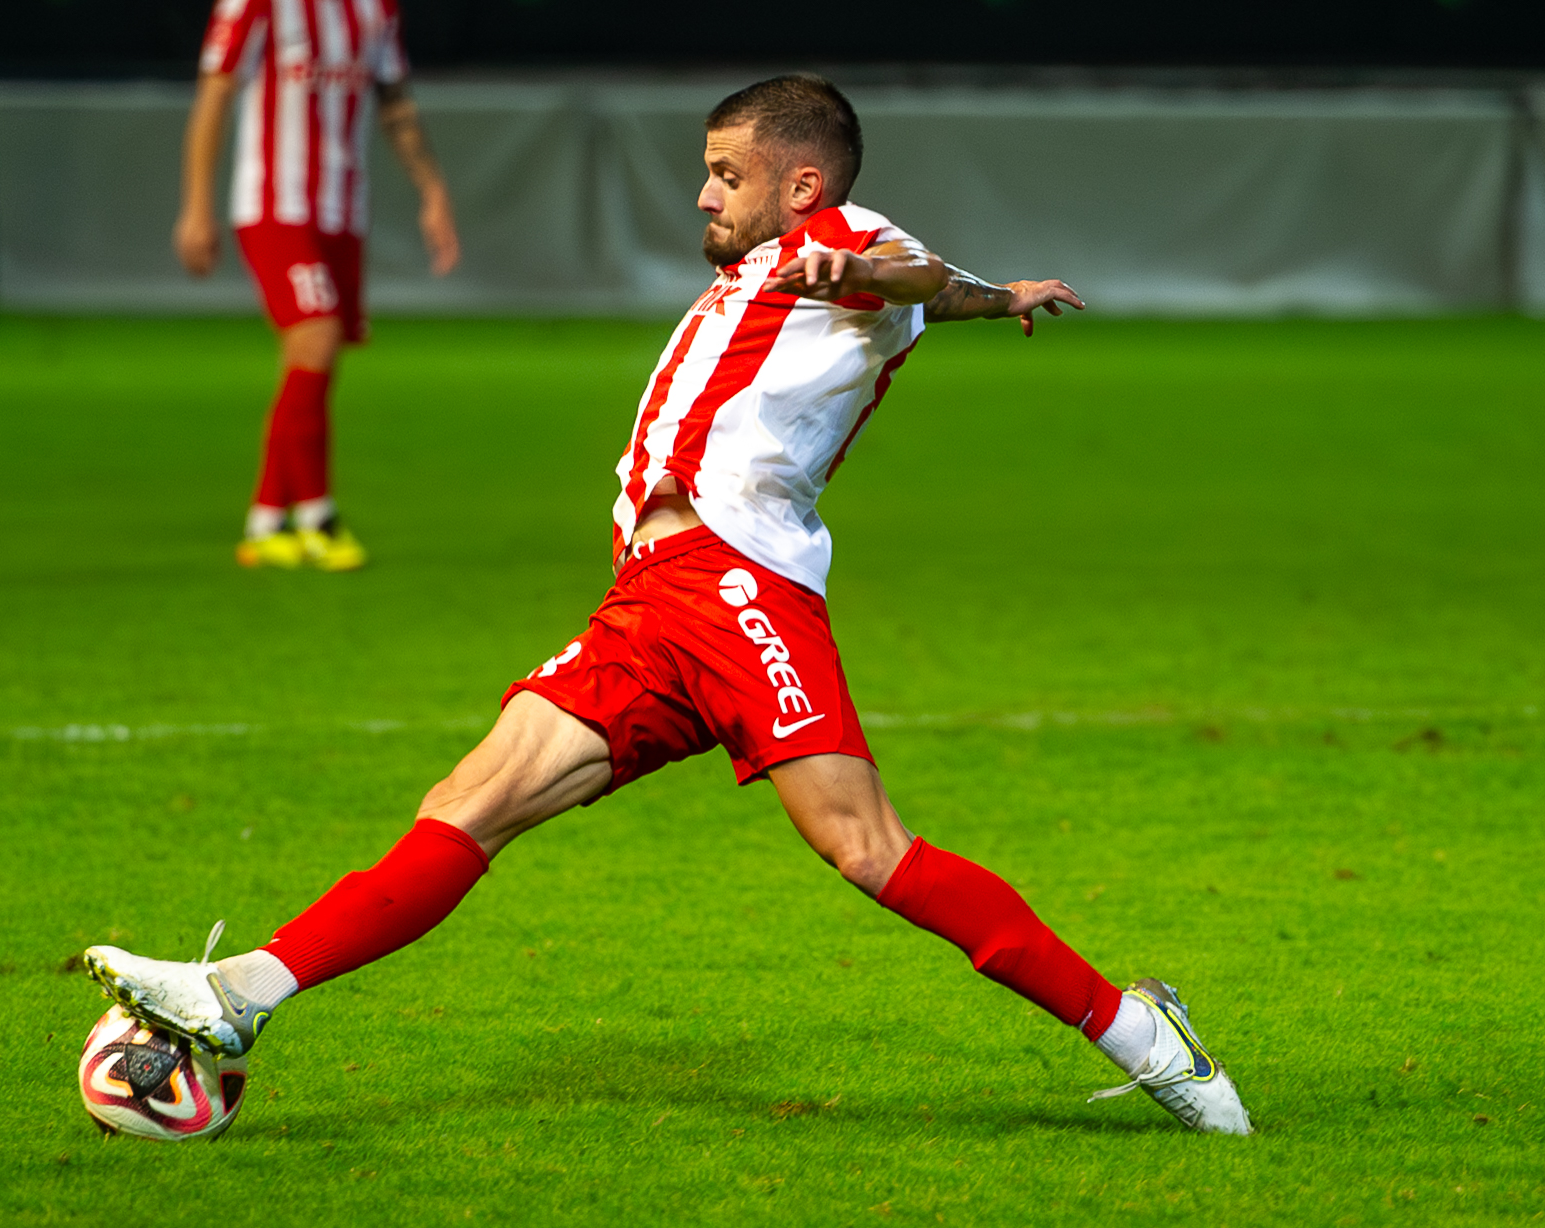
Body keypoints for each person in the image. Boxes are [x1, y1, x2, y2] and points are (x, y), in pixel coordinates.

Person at [89, 74, 1252, 1134]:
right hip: (651, 603)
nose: (705, 193)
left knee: (865, 846)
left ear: (802, 186)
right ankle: (239, 994)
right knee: (468, 802)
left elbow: (910, 280)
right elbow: (939, 298)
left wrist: (880, 277)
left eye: (727, 175)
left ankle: (1147, 1039)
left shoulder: (843, 239)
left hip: (738, 584)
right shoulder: (773, 266)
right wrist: (1002, 299)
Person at [178, 0, 461, 570]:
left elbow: (395, 101)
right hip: (273, 204)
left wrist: (431, 190)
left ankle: (266, 520)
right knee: (316, 334)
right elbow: (215, 92)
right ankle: (318, 517)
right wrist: (196, 206)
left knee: (313, 358)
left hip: (342, 209)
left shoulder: (375, 9)